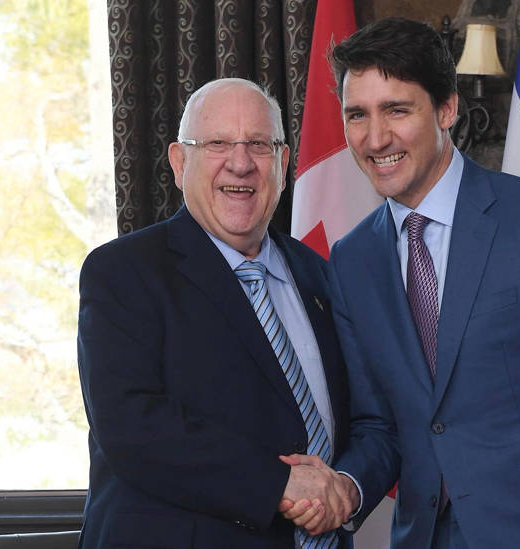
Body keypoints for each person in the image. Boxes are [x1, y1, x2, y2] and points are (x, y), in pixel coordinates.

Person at [284, 17, 520, 549]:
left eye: (397, 109)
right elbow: (381, 426)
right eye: (357, 115)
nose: (375, 137)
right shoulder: (352, 260)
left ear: (446, 108)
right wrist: (343, 486)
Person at [77, 78, 355, 548]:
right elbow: (131, 425)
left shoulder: (320, 275)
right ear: (179, 162)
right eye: (218, 143)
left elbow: (364, 415)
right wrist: (279, 484)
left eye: (258, 145)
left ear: (283, 164)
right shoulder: (123, 272)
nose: (241, 162)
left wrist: (348, 483)